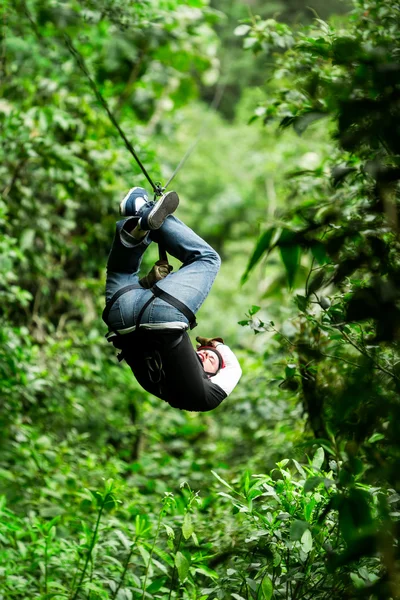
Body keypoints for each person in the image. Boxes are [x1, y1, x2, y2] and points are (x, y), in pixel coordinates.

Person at [103, 186, 242, 412]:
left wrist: (217, 346)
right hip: (127, 319)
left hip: (148, 320)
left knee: (207, 259)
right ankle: (138, 225)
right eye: (209, 355)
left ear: (209, 376)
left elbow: (234, 369)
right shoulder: (163, 388)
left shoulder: (205, 398)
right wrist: (149, 282)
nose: (207, 354)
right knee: (121, 272)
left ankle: (142, 210)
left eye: (211, 361)